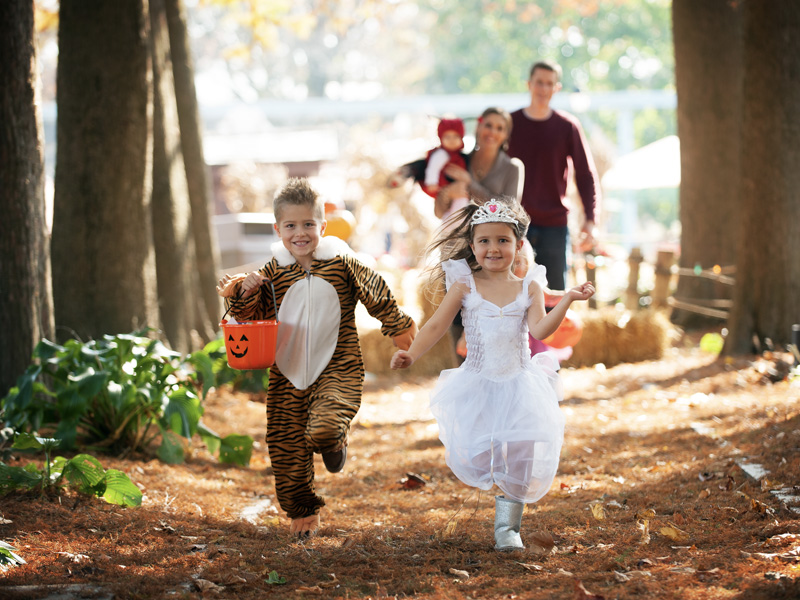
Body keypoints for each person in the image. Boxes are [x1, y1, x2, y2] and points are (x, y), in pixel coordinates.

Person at [389, 198, 595, 551]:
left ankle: (507, 529)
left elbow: (541, 330)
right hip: (479, 381)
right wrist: (411, 352)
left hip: (520, 382)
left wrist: (567, 299)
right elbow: (437, 325)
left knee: (522, 451)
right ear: (472, 246)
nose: (493, 248)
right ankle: (498, 496)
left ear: (517, 246)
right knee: (482, 451)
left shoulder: (527, 286)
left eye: (502, 240)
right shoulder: (464, 285)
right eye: (484, 241)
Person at [217, 178, 417, 538]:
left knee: (323, 426)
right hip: (286, 373)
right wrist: (244, 293)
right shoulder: (272, 273)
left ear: (322, 226)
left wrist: (397, 326)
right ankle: (303, 514)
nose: (300, 233)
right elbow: (247, 318)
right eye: (291, 226)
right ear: (278, 229)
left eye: (308, 224)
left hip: (337, 367)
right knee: (286, 446)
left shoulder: (341, 264)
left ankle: (333, 439)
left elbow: (375, 291)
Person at [507, 60, 601, 290]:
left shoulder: (568, 126)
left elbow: (586, 175)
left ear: (557, 88)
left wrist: (590, 220)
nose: (543, 89)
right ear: (529, 84)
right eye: (539, 82)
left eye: (549, 84)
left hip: (555, 226)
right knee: (513, 294)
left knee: (555, 295)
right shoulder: (509, 124)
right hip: (514, 224)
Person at [435, 106, 523, 219]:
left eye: (499, 128)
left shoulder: (513, 168)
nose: (492, 132)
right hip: (459, 235)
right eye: (488, 125)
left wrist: (471, 184)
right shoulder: (459, 162)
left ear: (506, 135)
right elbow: (438, 212)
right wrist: (447, 194)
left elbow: (510, 212)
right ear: (478, 127)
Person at [389, 118, 470, 220]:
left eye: (456, 137)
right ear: (441, 138)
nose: (452, 141)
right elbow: (433, 168)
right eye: (447, 137)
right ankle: (451, 221)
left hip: (457, 186)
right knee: (453, 204)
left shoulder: (461, 157)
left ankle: (458, 219)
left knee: (461, 201)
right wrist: (432, 181)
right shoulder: (442, 154)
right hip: (442, 183)